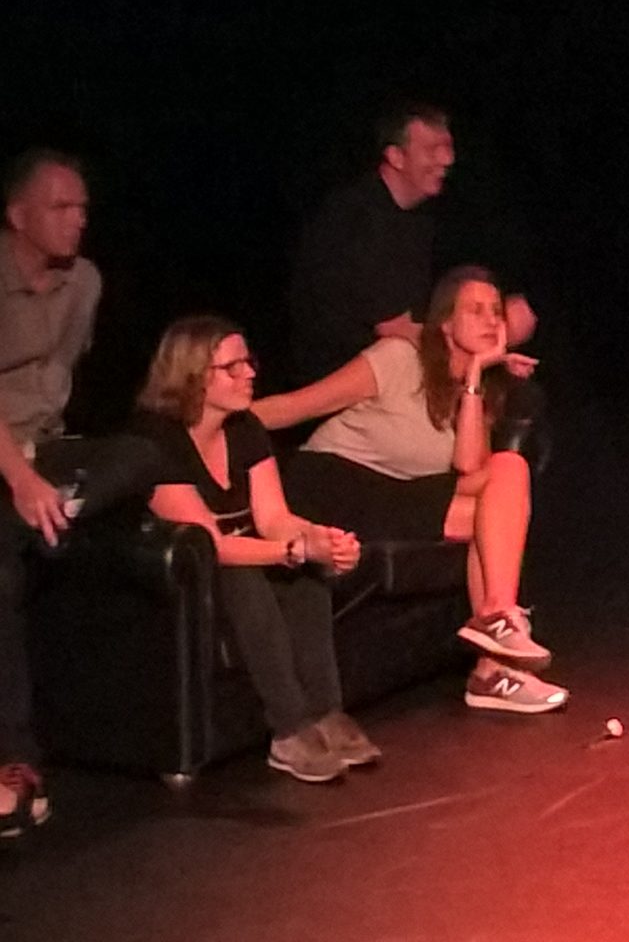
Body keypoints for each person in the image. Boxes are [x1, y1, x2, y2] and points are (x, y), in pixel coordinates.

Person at [255, 266, 565, 715]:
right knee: (491, 517)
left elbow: (468, 466)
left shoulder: (483, 386)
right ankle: (495, 659)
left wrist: (475, 375)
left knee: (508, 469)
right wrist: (207, 422)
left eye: (496, 312)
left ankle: (495, 635)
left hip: (400, 492)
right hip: (333, 483)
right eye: (475, 310)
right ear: (445, 324)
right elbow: (297, 405)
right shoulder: (398, 358)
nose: (490, 320)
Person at [1, 149, 168, 834]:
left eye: (83, 208)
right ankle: (14, 763)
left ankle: (54, 512)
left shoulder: (85, 282)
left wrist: (44, 478)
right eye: (61, 207)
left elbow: (64, 381)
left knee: (143, 452)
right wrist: (19, 478)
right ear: (18, 216)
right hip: (4, 456)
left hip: (49, 453)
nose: (78, 220)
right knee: (1, 573)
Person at [134, 317, 372, 782]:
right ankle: (288, 730)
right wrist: (294, 550)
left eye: (249, 362)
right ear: (193, 375)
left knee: (307, 578)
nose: (250, 373)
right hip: (187, 576)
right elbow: (210, 545)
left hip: (246, 551)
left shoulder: (245, 428)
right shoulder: (157, 439)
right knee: (243, 575)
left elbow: (274, 518)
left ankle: (325, 712)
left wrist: (319, 539)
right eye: (233, 366)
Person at [288, 102, 536, 385]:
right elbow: (395, 330)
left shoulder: (421, 219)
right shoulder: (356, 218)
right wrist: (493, 343)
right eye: (432, 149)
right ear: (396, 156)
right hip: (343, 382)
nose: (447, 159)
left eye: (448, 147)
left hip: (393, 370)